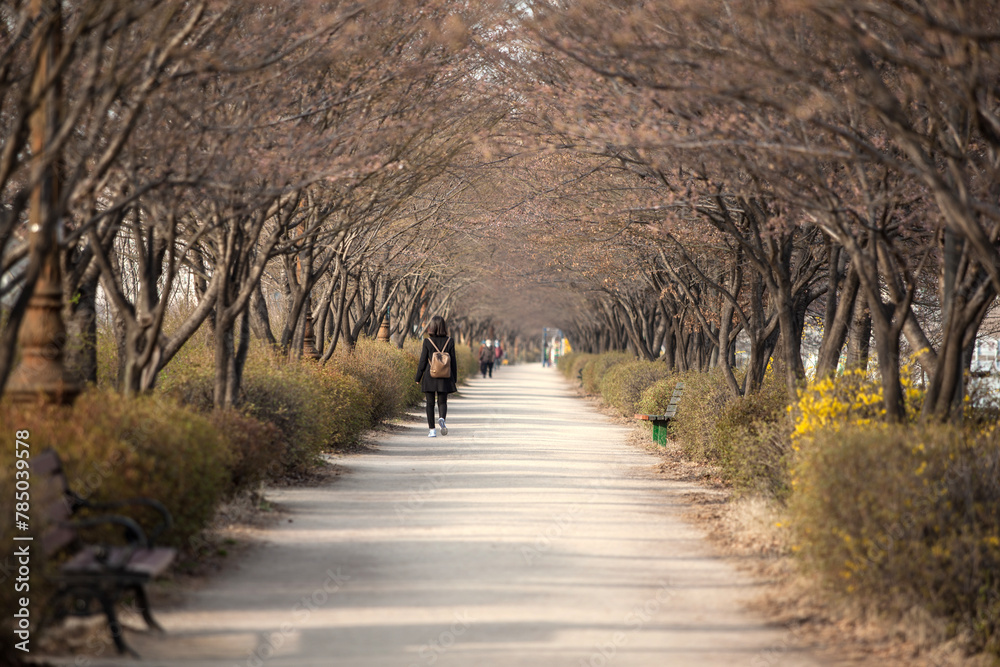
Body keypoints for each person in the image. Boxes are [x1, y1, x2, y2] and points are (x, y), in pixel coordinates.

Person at [415, 315, 458, 437]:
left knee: (429, 403)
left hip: (430, 375)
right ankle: (442, 418)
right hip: (445, 376)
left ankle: (432, 430)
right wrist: (454, 378)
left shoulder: (427, 342)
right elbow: (453, 361)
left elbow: (423, 361)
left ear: (432, 327)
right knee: (442, 402)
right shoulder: (450, 341)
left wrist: (418, 377)